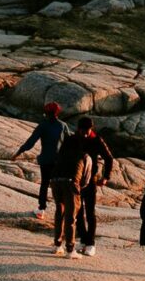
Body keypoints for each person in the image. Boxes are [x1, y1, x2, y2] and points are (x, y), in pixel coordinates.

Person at [71, 115, 114, 255]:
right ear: (78, 129)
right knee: (77, 211)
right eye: (83, 130)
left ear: (91, 129)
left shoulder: (96, 140)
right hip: (75, 180)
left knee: (90, 212)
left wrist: (106, 177)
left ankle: (91, 243)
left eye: (88, 130)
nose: (85, 132)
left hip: (91, 180)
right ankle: (83, 240)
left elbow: (109, 158)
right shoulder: (74, 138)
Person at [14, 99, 65, 219]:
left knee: (45, 184)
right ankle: (62, 209)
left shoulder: (43, 125)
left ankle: (41, 209)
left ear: (46, 113)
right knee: (58, 185)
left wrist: (19, 152)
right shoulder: (63, 126)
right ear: (57, 113)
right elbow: (70, 142)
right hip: (59, 161)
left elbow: (31, 142)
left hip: (46, 160)